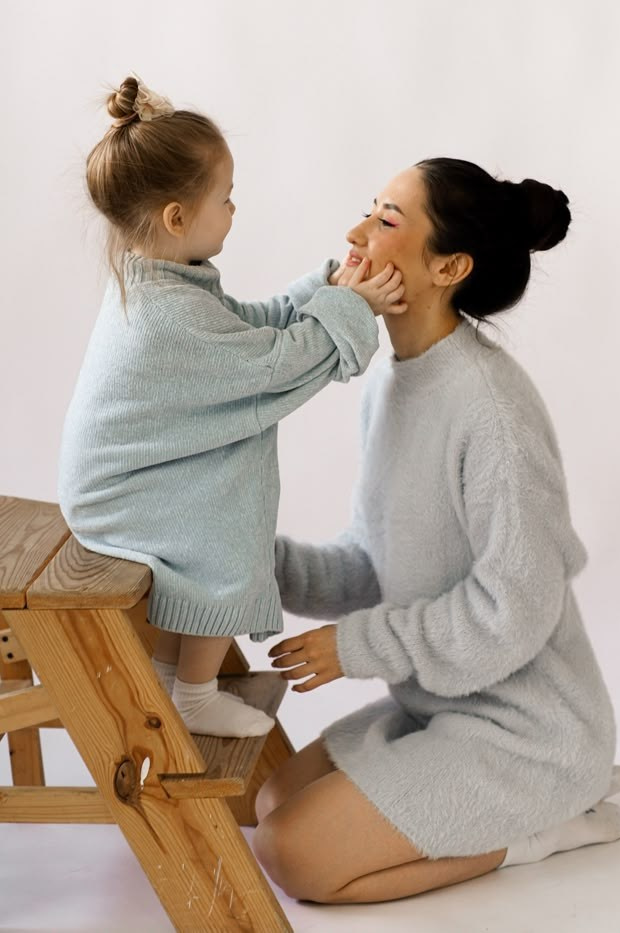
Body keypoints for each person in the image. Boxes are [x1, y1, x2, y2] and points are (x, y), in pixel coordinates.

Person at [253, 158, 620, 903]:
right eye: (369, 210)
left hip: (530, 733)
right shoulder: (394, 383)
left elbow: (516, 608)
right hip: (440, 704)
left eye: (386, 220)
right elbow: (377, 564)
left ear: (450, 267)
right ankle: (501, 808)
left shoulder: (491, 409)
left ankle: (549, 821)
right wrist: (251, 561)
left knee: (295, 855)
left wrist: (359, 646)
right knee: (270, 804)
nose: (356, 234)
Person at [57, 75, 406, 738]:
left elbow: (251, 328)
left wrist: (327, 289)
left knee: (231, 465)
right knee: (228, 520)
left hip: (127, 476)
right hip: (120, 496)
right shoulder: (166, 319)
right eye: (226, 198)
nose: (234, 210)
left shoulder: (164, 281)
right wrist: (354, 307)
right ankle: (193, 691)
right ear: (177, 217)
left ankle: (168, 671)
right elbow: (269, 365)